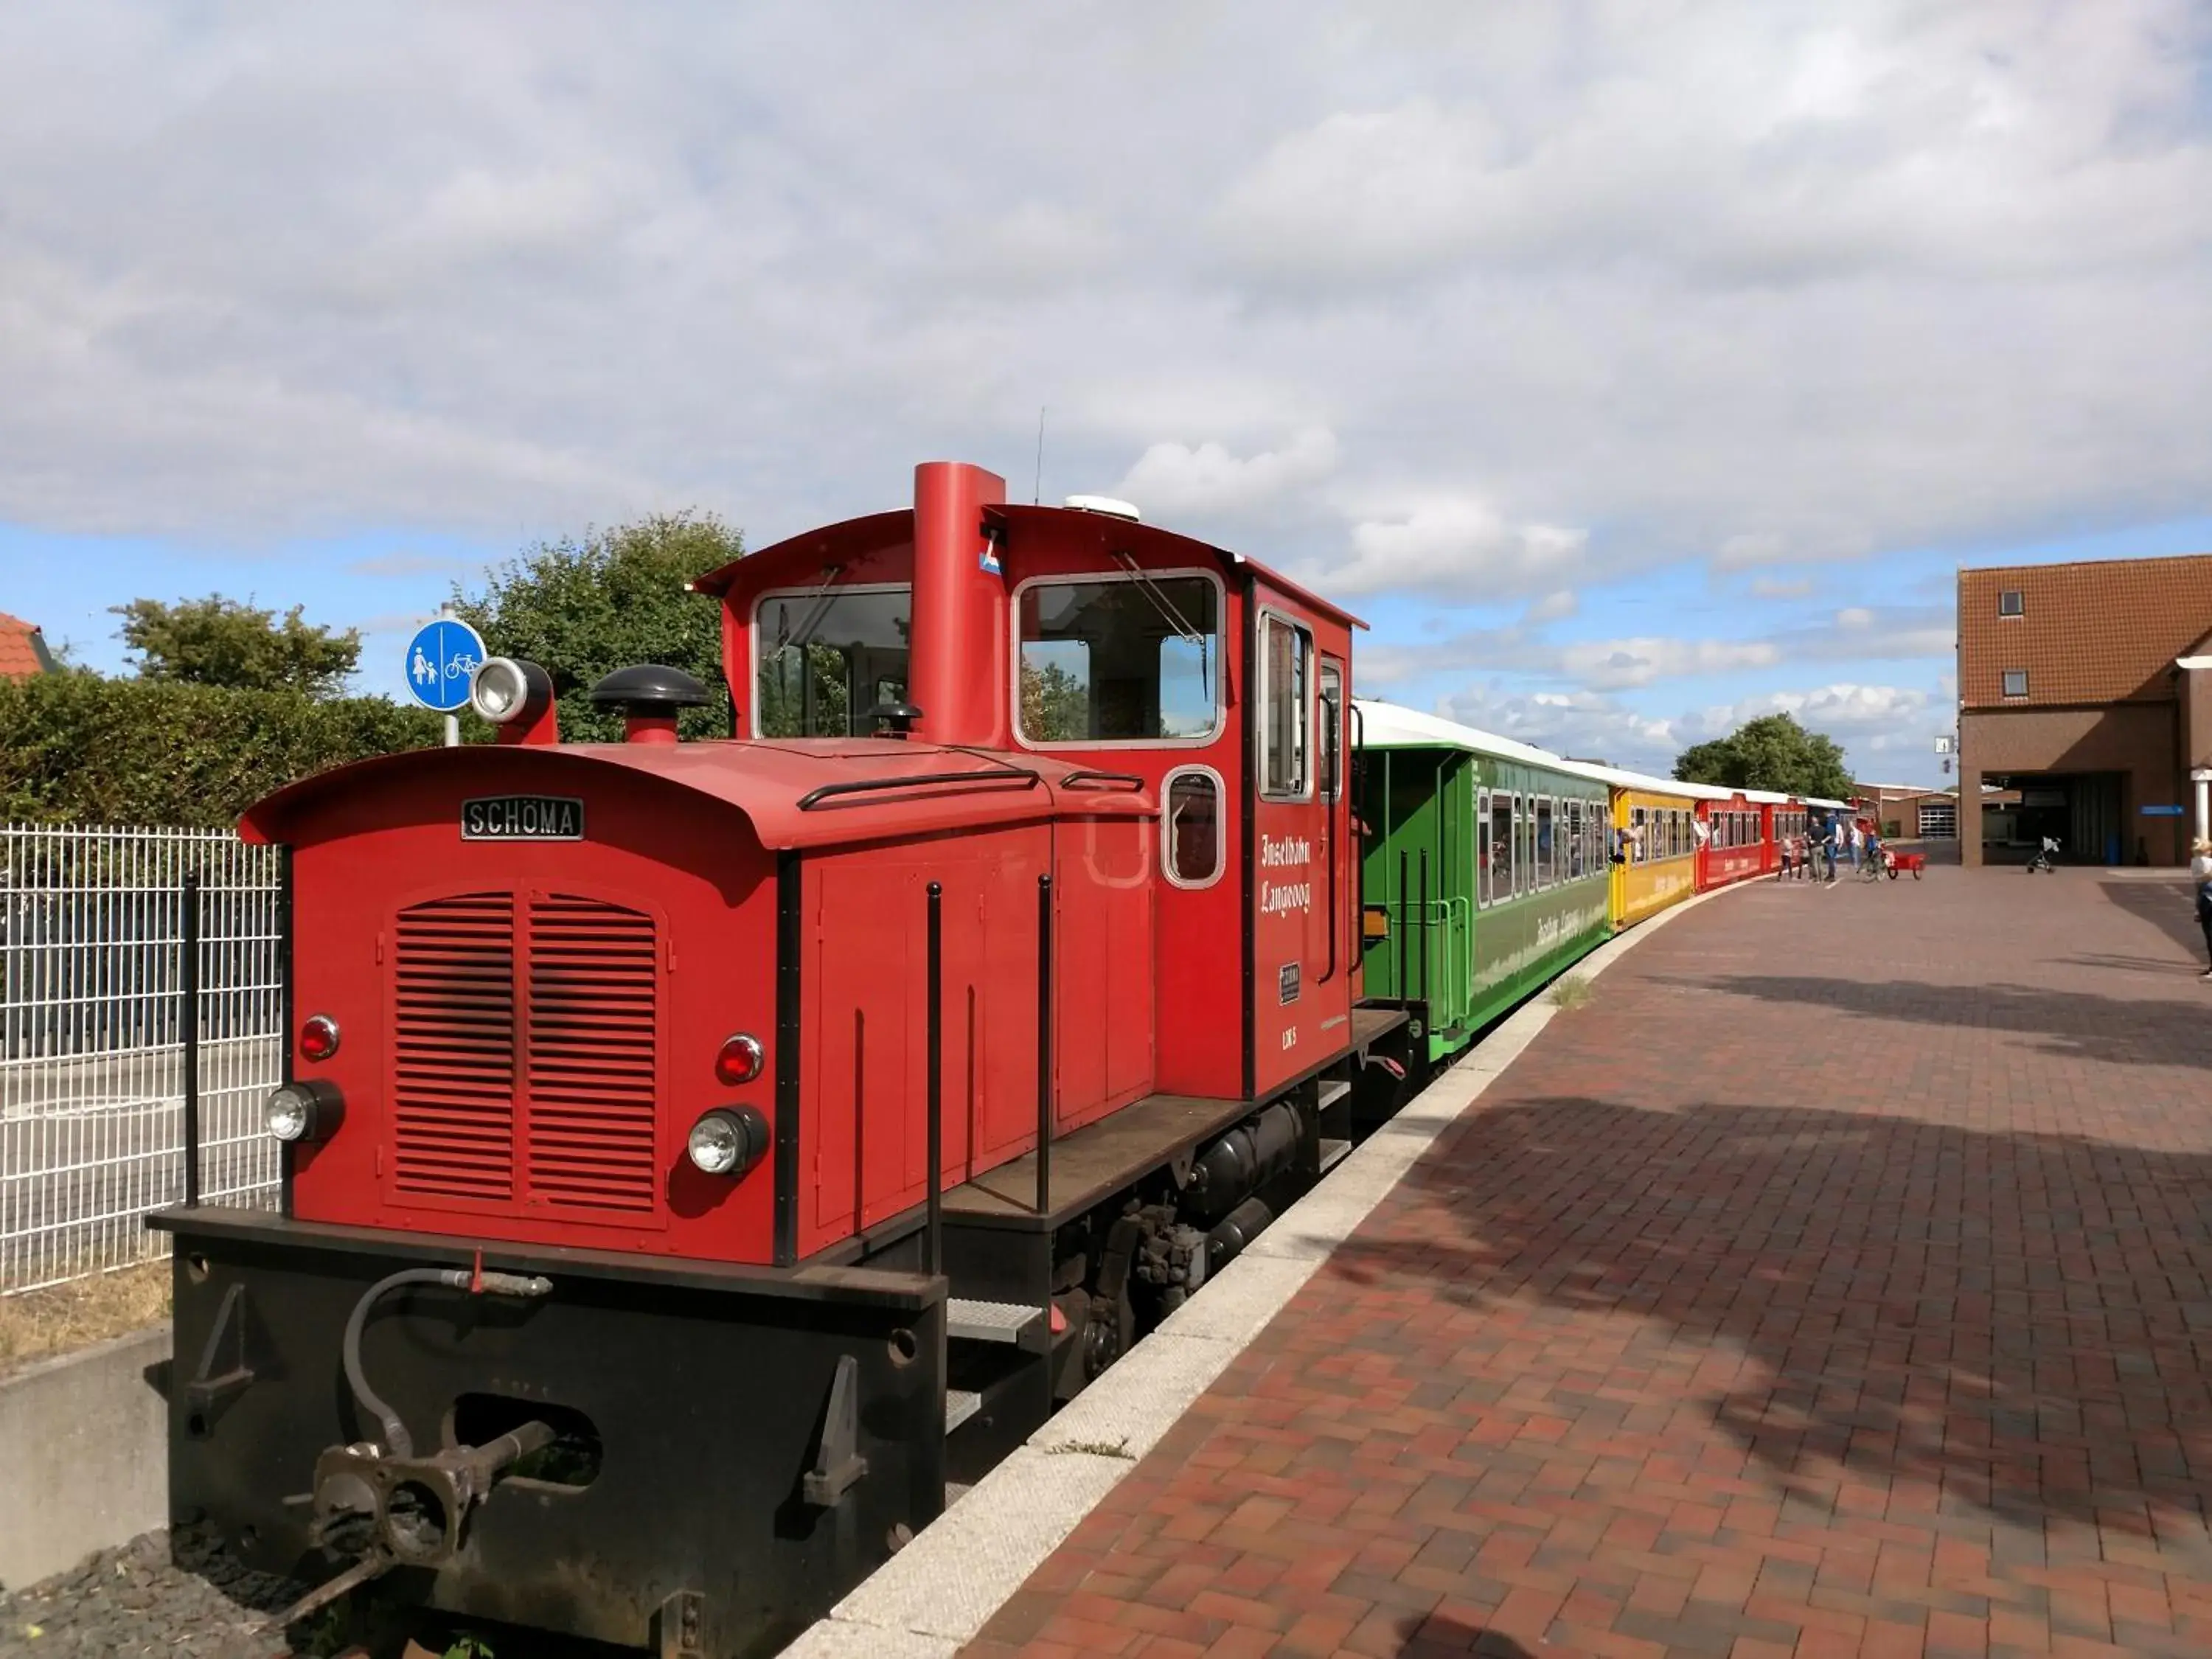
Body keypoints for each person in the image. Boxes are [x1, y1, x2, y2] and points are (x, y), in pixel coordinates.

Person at [2194, 838, 2212, 980]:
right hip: (2206, 900)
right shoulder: (2201, 863)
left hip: (2207, 901)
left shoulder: (2199, 863)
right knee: (2209, 934)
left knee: (2210, 935)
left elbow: (2198, 885)